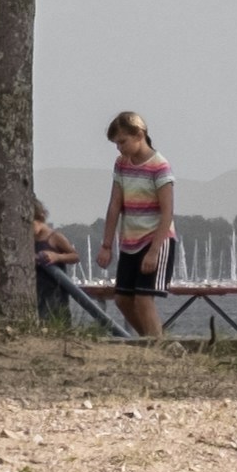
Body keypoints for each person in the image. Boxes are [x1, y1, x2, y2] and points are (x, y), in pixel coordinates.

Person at [97, 109, 175, 338]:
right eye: (116, 143)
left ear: (139, 135)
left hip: (155, 240)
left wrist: (153, 252)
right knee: (122, 298)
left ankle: (156, 345)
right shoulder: (121, 164)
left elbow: (167, 212)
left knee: (143, 297)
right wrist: (106, 244)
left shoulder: (159, 167)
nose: (120, 147)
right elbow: (115, 205)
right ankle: (149, 339)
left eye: (123, 141)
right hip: (130, 241)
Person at [34, 199, 85, 322]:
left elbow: (75, 256)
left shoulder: (54, 237)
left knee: (55, 316)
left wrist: (57, 257)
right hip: (37, 288)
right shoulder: (29, 239)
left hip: (54, 289)